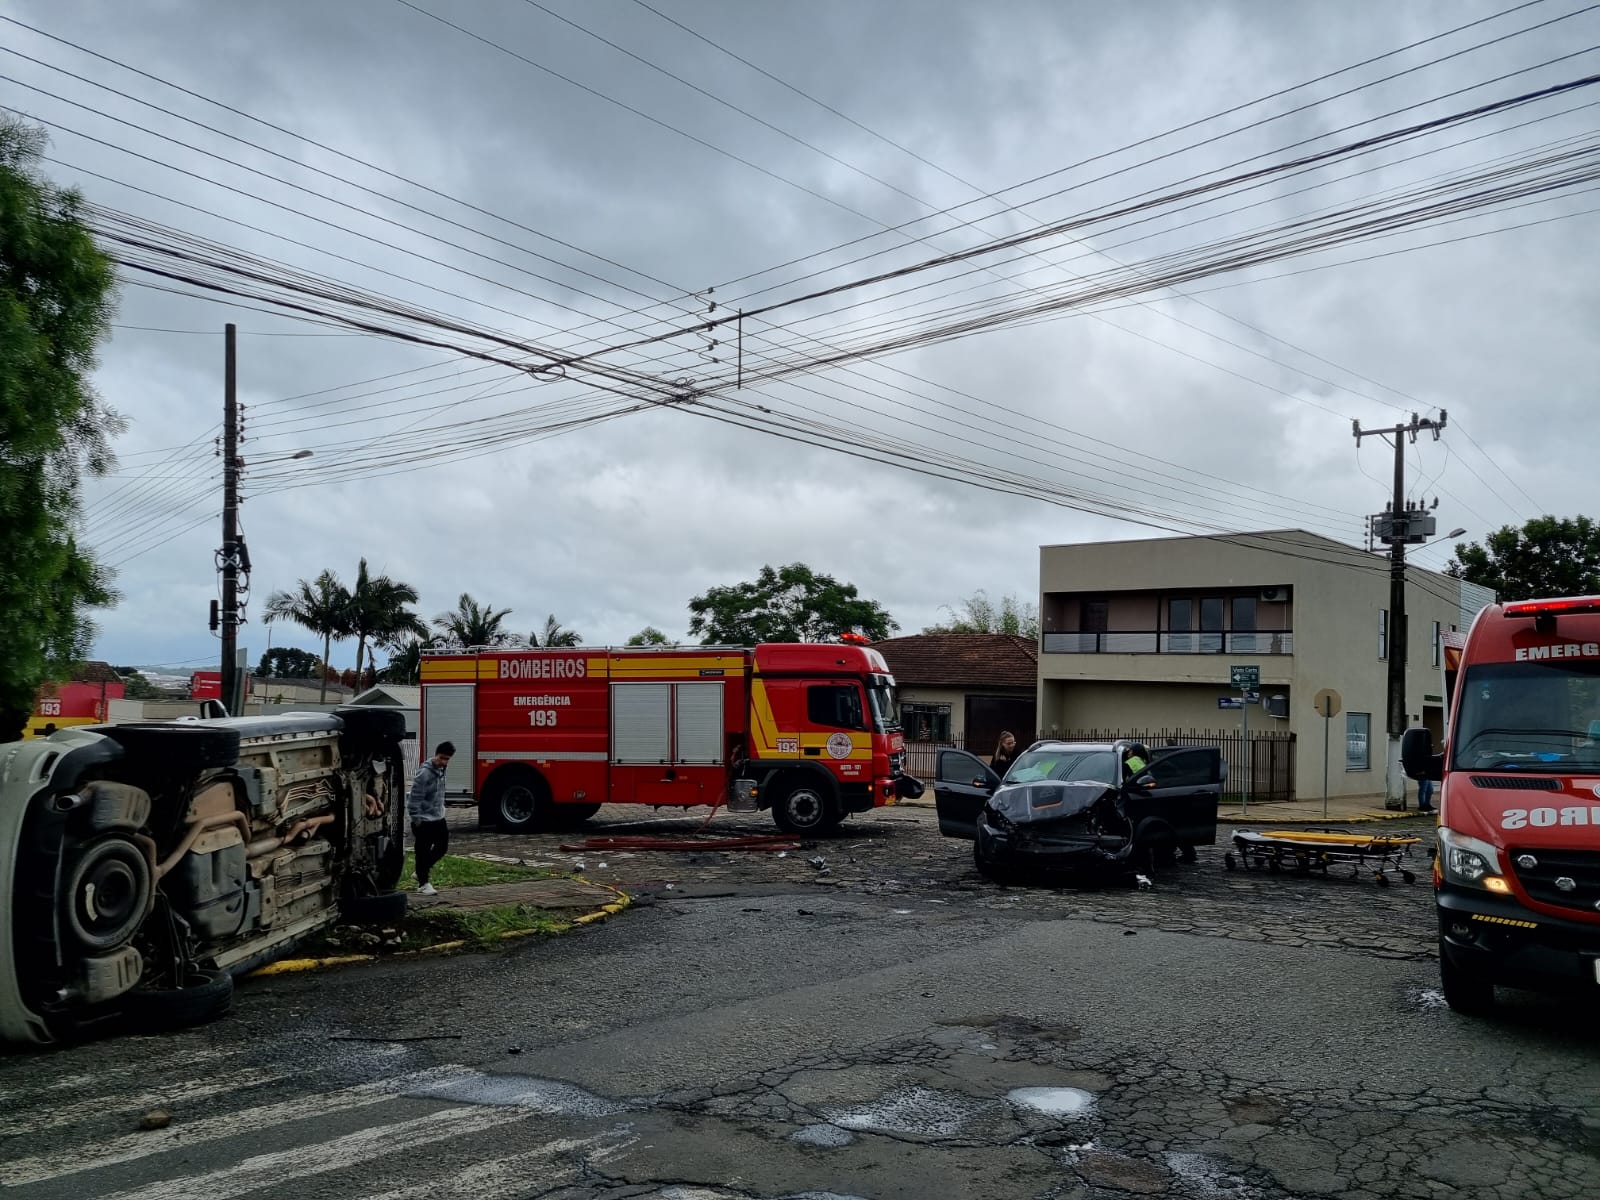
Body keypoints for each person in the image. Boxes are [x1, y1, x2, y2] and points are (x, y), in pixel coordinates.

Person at [408, 741, 455, 896]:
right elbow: (415, 798)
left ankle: (421, 871)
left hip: (438, 817)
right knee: (422, 851)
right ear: (436, 754)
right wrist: (416, 819)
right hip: (424, 819)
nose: (443, 762)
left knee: (442, 847)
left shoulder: (442, 770)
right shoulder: (424, 773)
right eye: (441, 758)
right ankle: (423, 883)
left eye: (447, 759)